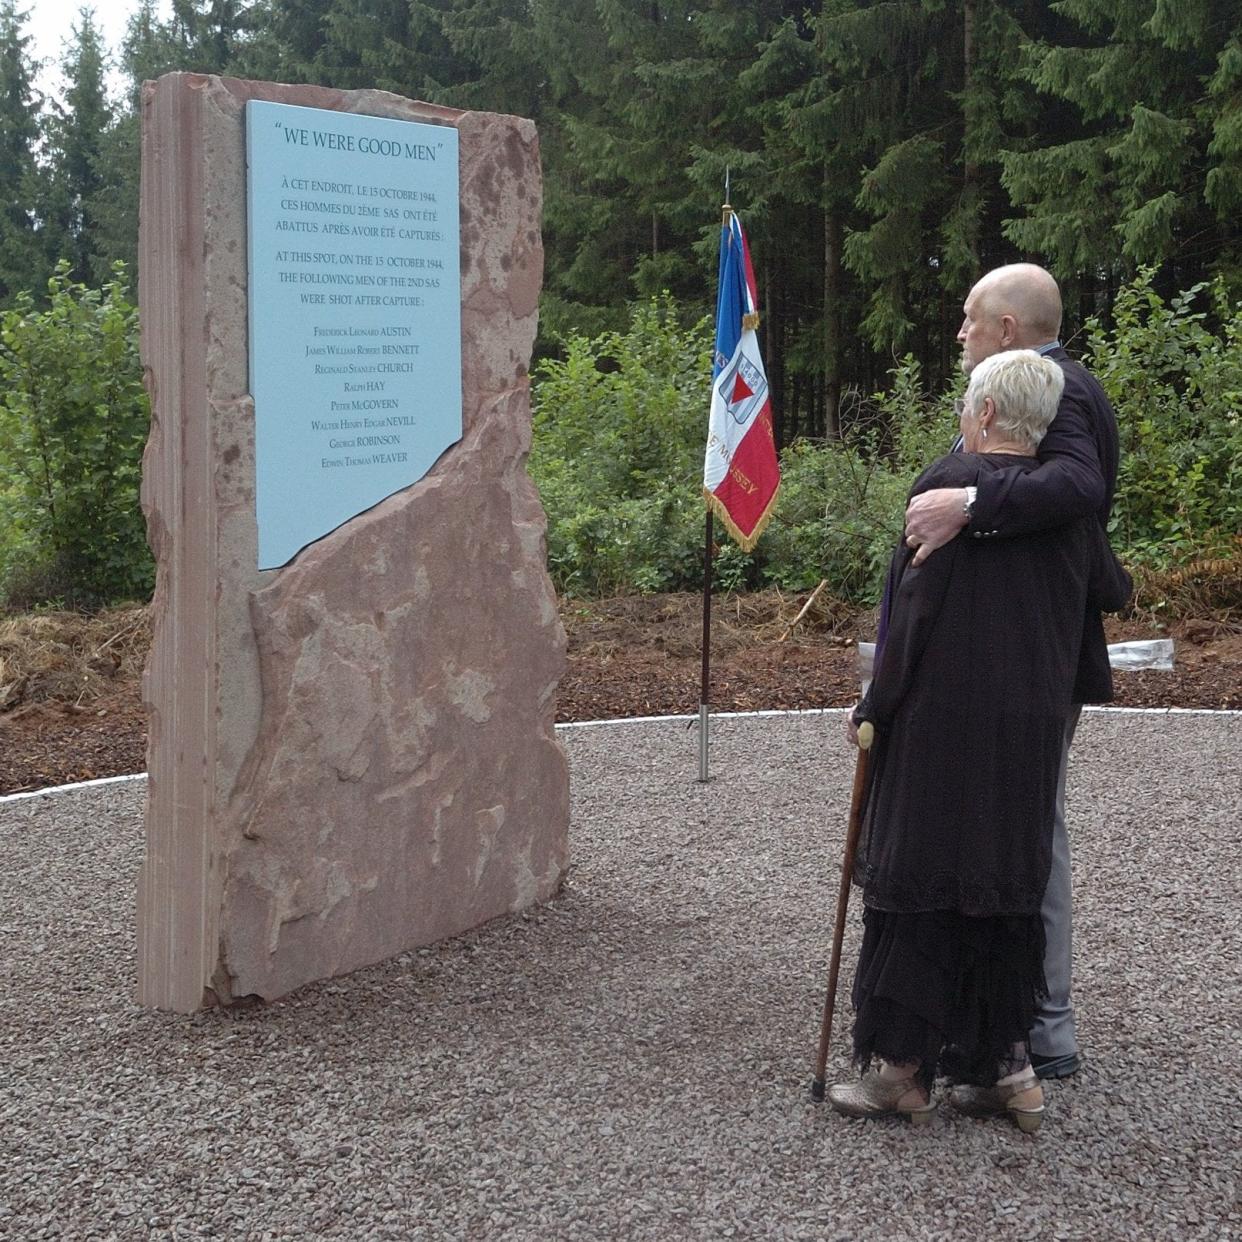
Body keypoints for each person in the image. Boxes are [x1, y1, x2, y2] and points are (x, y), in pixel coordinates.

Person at [827, 350, 1130, 1131]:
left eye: (968, 404)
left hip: (942, 728)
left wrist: (875, 706)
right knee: (1002, 885)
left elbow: (909, 622)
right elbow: (1111, 589)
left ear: (986, 414)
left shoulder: (947, 495)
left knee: (921, 886)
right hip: (1028, 728)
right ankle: (1009, 1072)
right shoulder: (1062, 512)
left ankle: (901, 1075)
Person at [902, 263, 1120, 1081]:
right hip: (1015, 652)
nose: (958, 332)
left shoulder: (1060, 388)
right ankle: (1002, 1019)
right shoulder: (1037, 387)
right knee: (1016, 821)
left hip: (1034, 656)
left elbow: (1077, 485)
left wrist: (966, 505)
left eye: (968, 319)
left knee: (1031, 827)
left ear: (1004, 329)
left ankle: (1041, 1026)